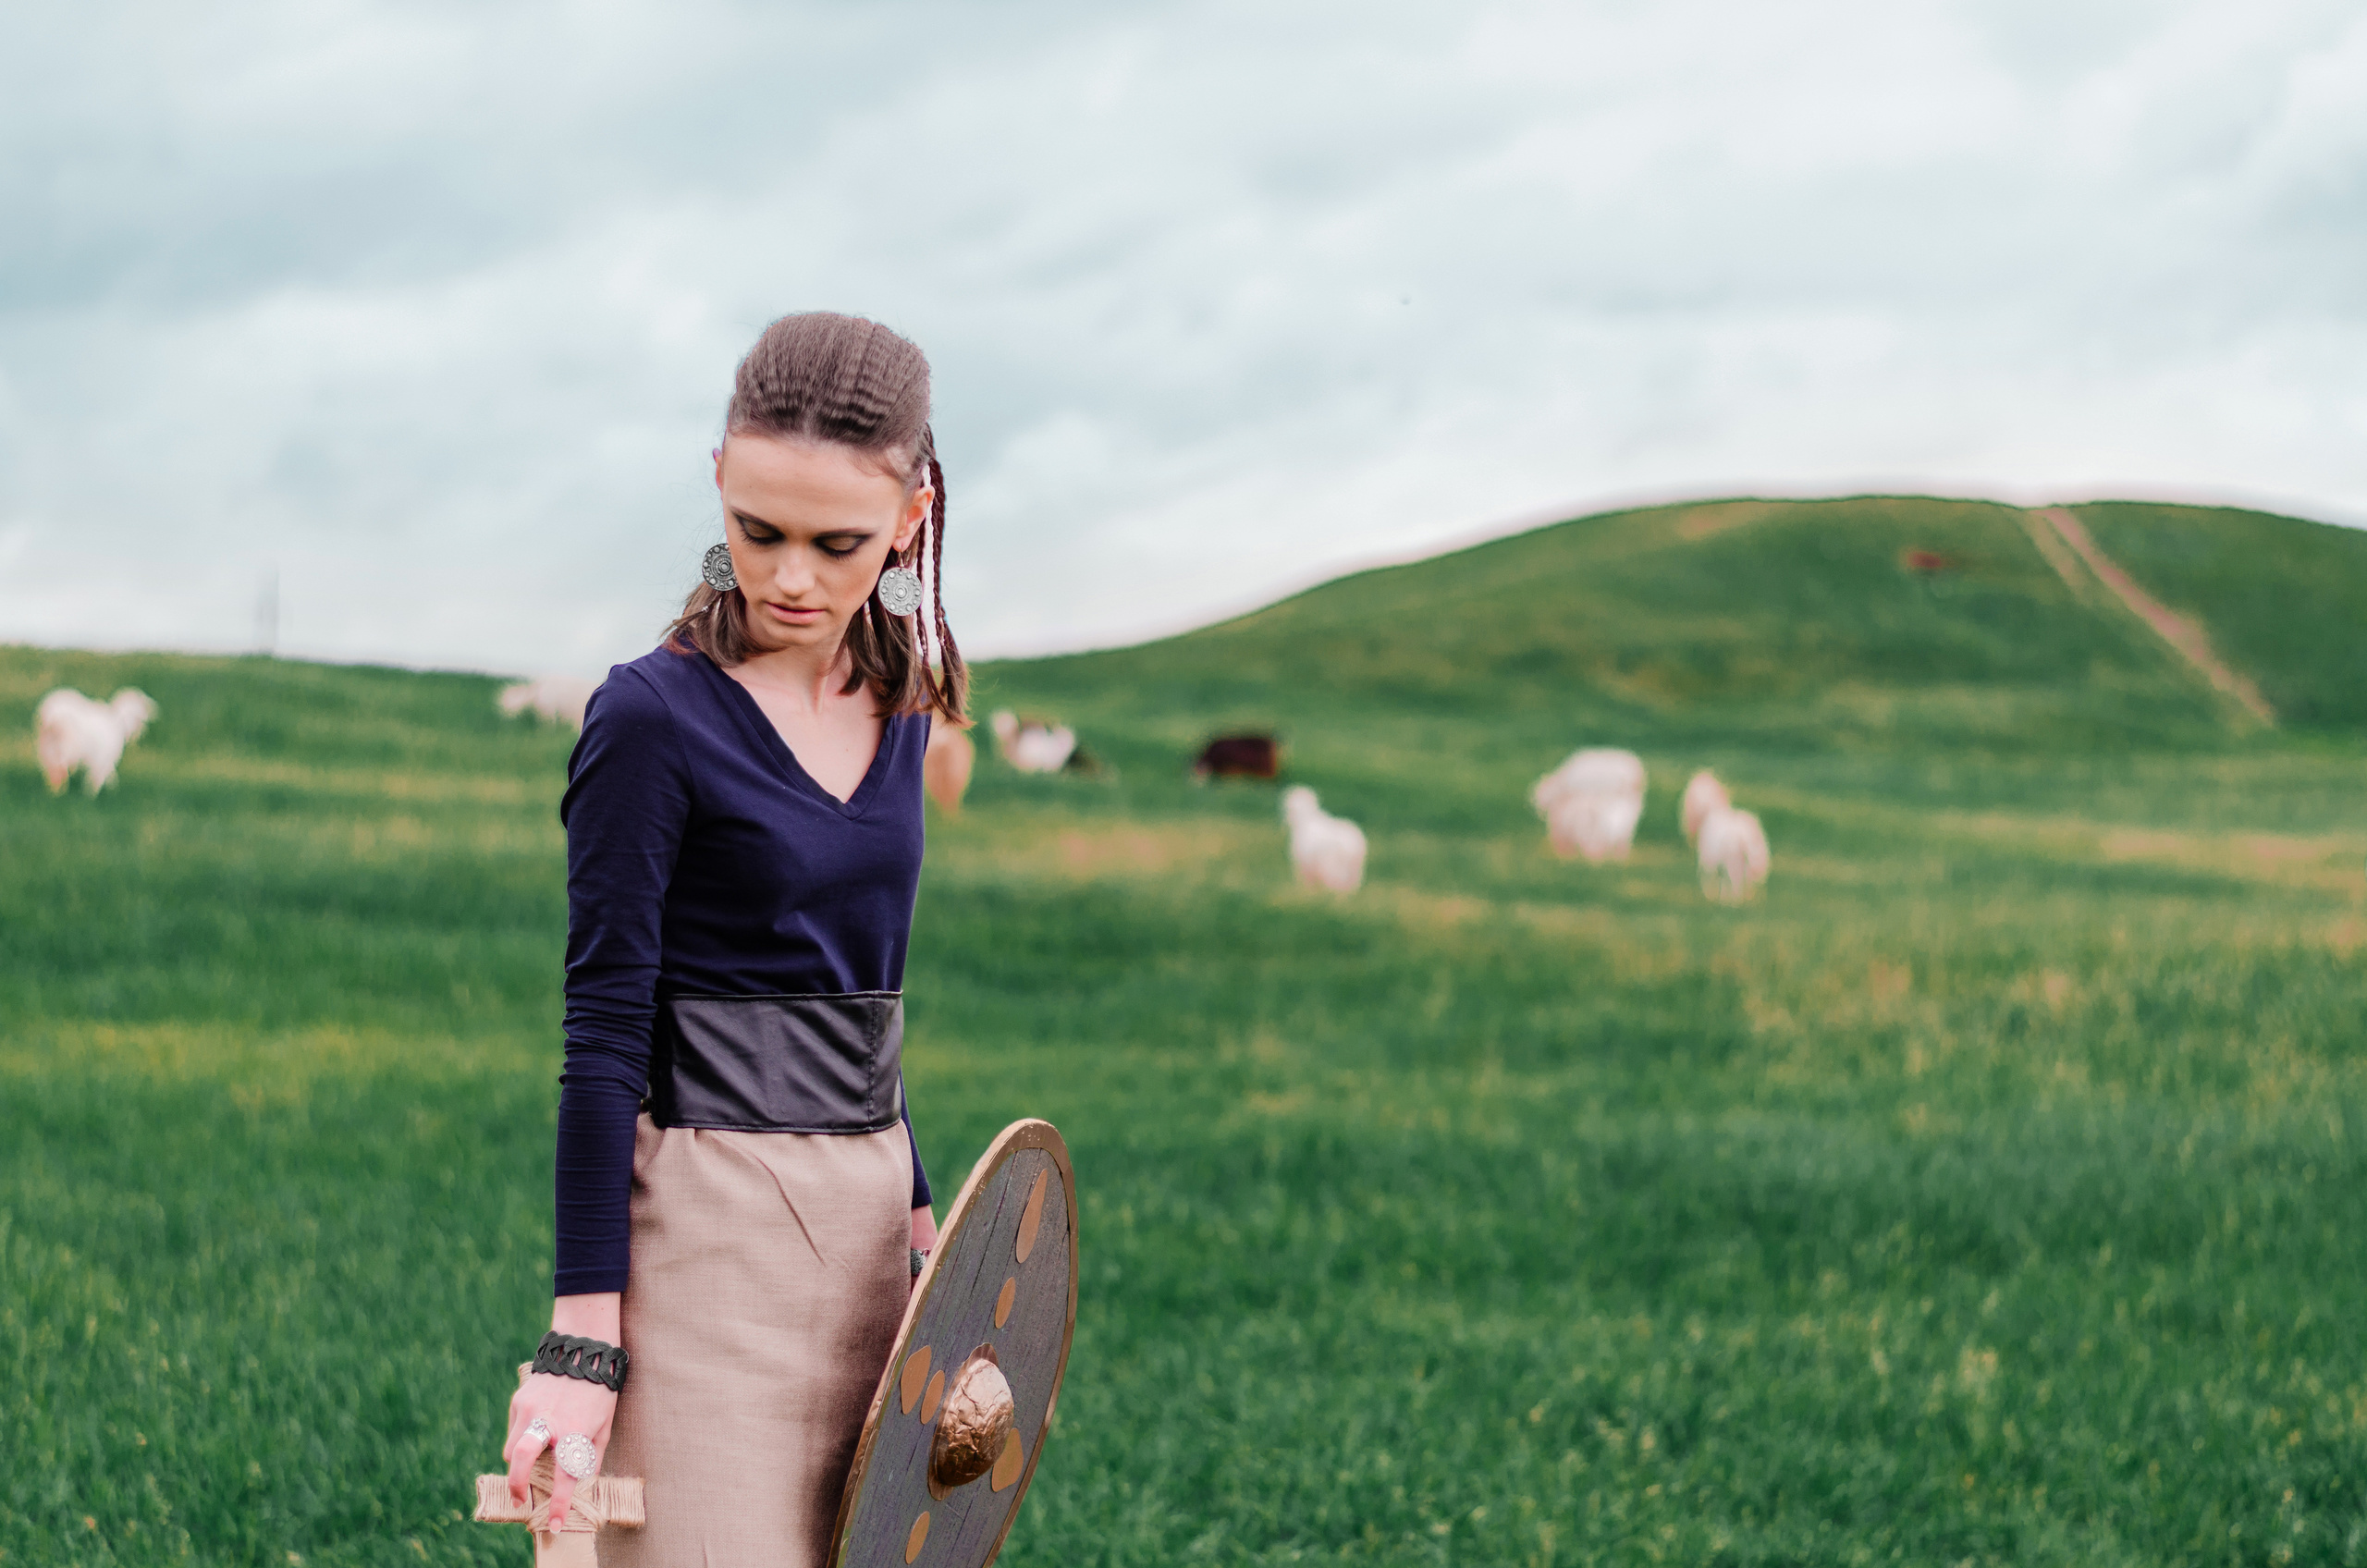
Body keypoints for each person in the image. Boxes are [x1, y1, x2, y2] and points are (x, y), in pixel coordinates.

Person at [502, 312, 968, 1565]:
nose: (793, 579)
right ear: (718, 477)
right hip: (708, 1244)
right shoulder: (651, 717)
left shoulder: (903, 707)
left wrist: (929, 1226)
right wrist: (582, 1345)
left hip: (870, 1234)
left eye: (840, 542)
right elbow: (603, 1033)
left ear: (910, 519)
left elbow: (863, 993)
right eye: (760, 531)